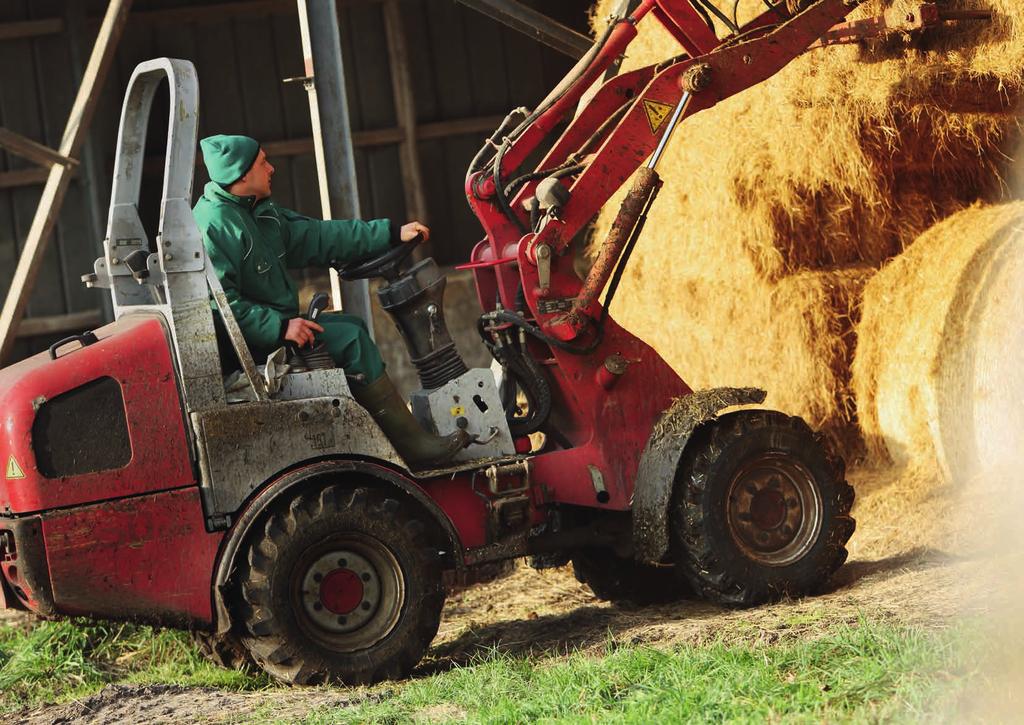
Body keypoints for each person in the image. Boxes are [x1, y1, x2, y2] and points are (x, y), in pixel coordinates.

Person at [193, 134, 467, 468]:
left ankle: (379, 440)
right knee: (351, 341)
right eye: (263, 162)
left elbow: (320, 236)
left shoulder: (259, 213)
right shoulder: (215, 226)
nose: (272, 168)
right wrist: (280, 327)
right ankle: (416, 450)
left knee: (352, 325)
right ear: (242, 175)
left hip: (273, 332)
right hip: (251, 349)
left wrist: (390, 233)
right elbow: (217, 306)